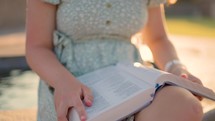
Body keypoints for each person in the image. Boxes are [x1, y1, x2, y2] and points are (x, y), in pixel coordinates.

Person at [26, 0, 203, 121]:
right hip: (71, 85)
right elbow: (37, 47)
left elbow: (157, 38)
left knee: (188, 108)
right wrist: (63, 83)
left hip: (132, 85)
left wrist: (175, 66)